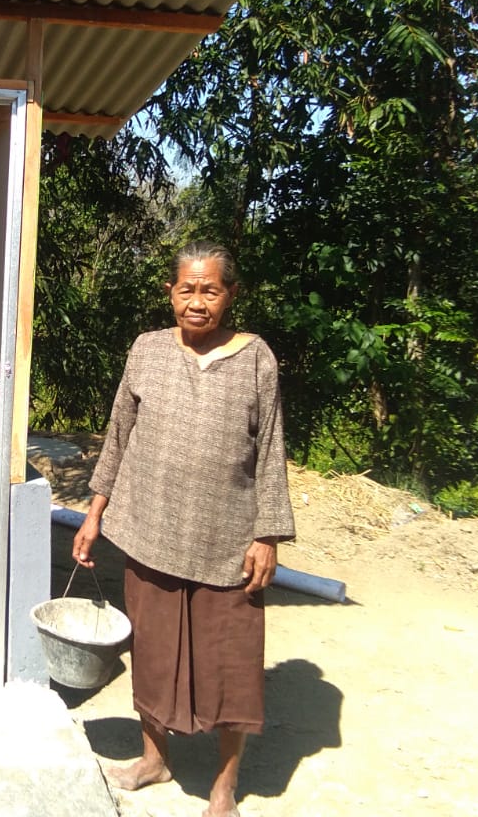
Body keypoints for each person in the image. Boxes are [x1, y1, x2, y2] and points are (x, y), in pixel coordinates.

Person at [72, 240, 295, 817]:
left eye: (210, 290)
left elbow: (270, 450)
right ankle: (155, 757)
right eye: (187, 289)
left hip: (227, 542)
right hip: (150, 530)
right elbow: (117, 434)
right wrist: (94, 513)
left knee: (232, 663)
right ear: (171, 293)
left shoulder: (255, 358)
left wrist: (266, 534)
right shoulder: (146, 350)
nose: (198, 302)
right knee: (151, 652)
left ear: (231, 295)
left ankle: (224, 788)